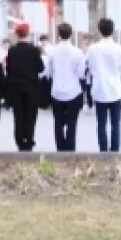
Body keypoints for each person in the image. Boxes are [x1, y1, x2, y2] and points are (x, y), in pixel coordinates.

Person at [86, 17, 121, 152]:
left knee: (101, 123)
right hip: (115, 89)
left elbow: (91, 68)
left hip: (99, 89)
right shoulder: (119, 49)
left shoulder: (93, 48)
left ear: (99, 30)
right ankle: (115, 150)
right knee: (116, 123)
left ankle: (103, 150)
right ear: (113, 30)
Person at [43, 22, 86, 151]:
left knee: (58, 122)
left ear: (58, 35)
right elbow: (81, 74)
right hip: (73, 91)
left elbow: (48, 72)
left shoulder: (52, 52)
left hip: (57, 92)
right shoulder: (78, 52)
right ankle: (70, 148)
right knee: (72, 122)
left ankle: (60, 148)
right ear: (71, 34)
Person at [4, 21, 44, 151]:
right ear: (28, 33)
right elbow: (41, 68)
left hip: (16, 87)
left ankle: (19, 139)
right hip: (31, 87)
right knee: (31, 115)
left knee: (18, 114)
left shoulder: (12, 50)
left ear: (17, 34)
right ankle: (29, 139)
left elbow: (9, 70)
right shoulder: (34, 50)